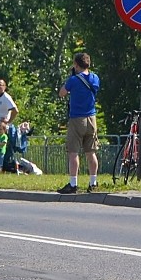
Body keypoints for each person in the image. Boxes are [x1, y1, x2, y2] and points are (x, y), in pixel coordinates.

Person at [57, 53, 100, 194]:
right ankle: (93, 182)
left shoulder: (73, 80)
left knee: (73, 152)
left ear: (76, 64)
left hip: (77, 118)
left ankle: (73, 183)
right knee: (91, 152)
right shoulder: (95, 78)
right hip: (92, 118)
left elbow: (61, 93)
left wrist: (70, 79)